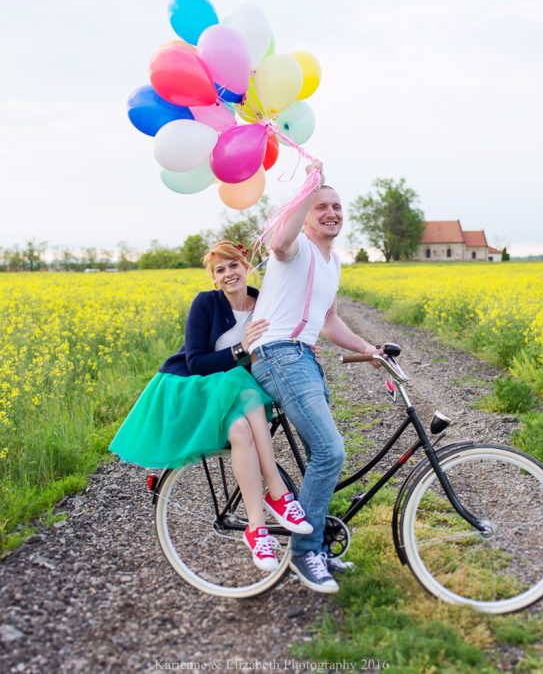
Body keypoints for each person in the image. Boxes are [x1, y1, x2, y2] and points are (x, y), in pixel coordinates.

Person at [109, 240, 312, 570]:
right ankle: (277, 491)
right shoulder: (206, 303)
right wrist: (240, 349)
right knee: (242, 383)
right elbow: (196, 362)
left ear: (246, 266)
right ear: (214, 279)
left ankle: (257, 531)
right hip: (193, 387)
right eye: (220, 270)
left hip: (234, 396)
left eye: (233, 265)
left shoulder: (263, 302)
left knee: (242, 432)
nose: (228, 273)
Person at [247, 163, 378, 593]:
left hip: (305, 357)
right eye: (322, 206)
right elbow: (281, 241)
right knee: (329, 451)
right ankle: (305, 554)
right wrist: (307, 185)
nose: (331, 213)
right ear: (306, 214)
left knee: (318, 458)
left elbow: (331, 323)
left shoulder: (333, 262)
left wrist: (368, 349)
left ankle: (315, 544)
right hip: (278, 353)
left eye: (337, 206)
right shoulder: (296, 246)